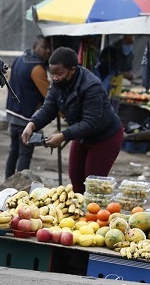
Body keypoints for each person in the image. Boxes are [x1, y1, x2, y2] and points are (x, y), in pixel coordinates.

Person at [21, 47, 123, 193]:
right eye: (52, 73)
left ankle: (94, 214)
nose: (55, 77)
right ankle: (78, 213)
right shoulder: (57, 84)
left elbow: (91, 122)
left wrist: (63, 136)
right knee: (76, 179)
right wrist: (32, 124)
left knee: (93, 185)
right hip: (81, 135)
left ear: (73, 70)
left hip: (105, 137)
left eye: (59, 73)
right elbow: (48, 108)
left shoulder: (91, 86)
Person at [4, 35, 52, 179]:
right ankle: (19, 189)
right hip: (26, 119)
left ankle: (7, 184)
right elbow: (49, 96)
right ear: (35, 47)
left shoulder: (20, 59)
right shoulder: (37, 67)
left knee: (13, 151)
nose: (48, 51)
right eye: (44, 47)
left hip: (13, 115)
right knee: (24, 154)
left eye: (49, 48)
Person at [108, 35, 134, 113]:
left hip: (119, 80)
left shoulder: (131, 54)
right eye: (127, 44)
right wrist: (122, 73)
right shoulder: (113, 49)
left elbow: (127, 68)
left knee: (115, 100)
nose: (128, 47)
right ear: (123, 41)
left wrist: (128, 75)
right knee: (107, 99)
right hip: (109, 78)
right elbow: (109, 66)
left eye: (130, 45)